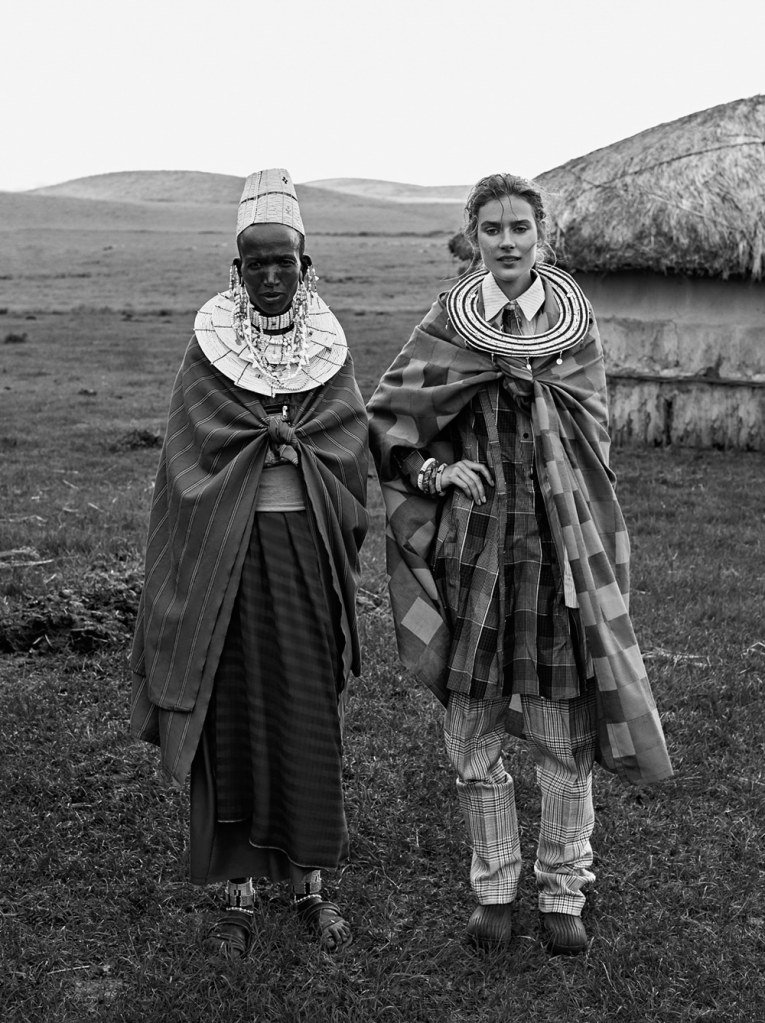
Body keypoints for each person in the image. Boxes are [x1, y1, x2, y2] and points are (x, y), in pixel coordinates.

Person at [367, 173, 672, 954]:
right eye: (492, 228)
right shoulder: (450, 321)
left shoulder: (572, 321)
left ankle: (563, 890)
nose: (506, 241)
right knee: (472, 735)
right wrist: (438, 473)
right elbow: (393, 418)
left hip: (555, 548)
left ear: (542, 236)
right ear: (472, 236)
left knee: (562, 737)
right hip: (476, 550)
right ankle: (493, 889)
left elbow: (591, 430)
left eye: (519, 228)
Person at [130, 168, 369, 957]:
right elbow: (187, 457)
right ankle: (237, 891)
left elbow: (349, 448)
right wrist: (258, 445)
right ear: (236, 270)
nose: (271, 275)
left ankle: (309, 885)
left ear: (307, 267)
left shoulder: (329, 351)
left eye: (284, 262)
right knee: (229, 713)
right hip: (224, 561)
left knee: (305, 709)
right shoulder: (208, 351)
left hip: (302, 552)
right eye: (256, 262)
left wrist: (299, 446)